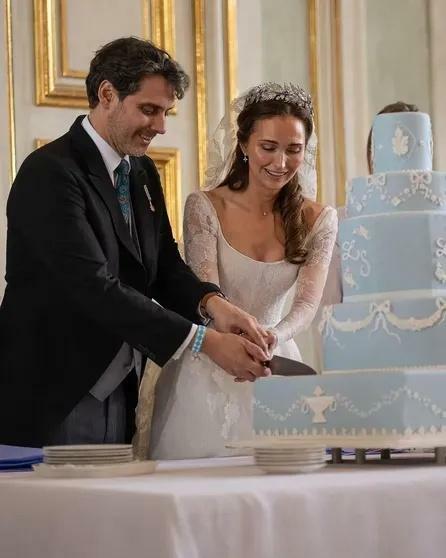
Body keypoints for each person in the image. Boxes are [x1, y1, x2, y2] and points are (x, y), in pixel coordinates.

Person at [0, 37, 272, 448]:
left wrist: (214, 305)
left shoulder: (142, 171)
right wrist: (204, 341)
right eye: (149, 109)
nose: (160, 127)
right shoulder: (50, 173)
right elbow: (93, 286)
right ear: (107, 94)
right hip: (55, 390)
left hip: (123, 386)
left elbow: (164, 265)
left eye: (165, 112)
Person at [148, 82, 338, 459]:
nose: (280, 162)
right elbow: (206, 293)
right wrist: (239, 339)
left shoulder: (319, 219)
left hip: (276, 363)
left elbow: (306, 305)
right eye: (268, 147)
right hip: (209, 363)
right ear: (244, 145)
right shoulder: (205, 206)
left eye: (293, 150)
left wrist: (274, 336)